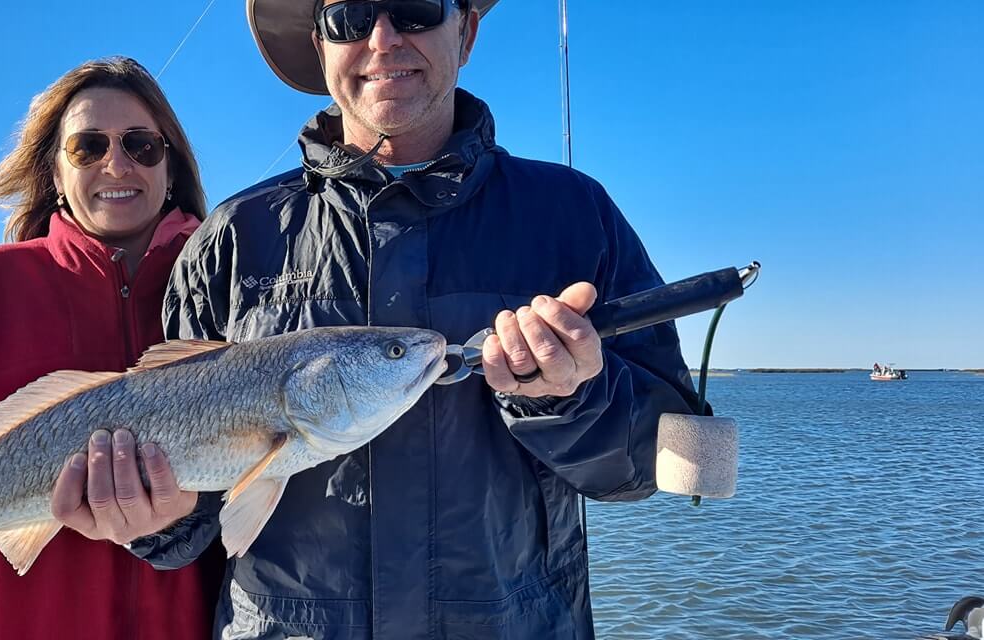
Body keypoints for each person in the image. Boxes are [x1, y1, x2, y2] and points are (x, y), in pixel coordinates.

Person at [54, 1, 702, 637]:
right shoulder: (231, 237)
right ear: (321, 45)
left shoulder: (574, 213)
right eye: (350, 17)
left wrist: (573, 398)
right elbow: (193, 529)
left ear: (467, 31)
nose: (384, 38)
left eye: (414, 8)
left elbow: (665, 462)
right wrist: (153, 518)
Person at [0, 56, 224, 639]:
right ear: (55, 171)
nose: (118, 163)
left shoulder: (230, 275)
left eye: (142, 145)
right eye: (88, 147)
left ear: (171, 165)